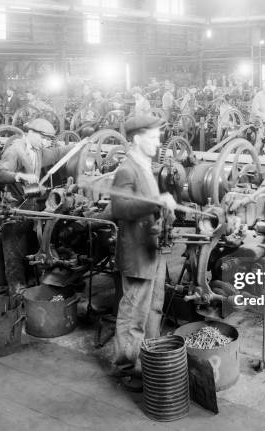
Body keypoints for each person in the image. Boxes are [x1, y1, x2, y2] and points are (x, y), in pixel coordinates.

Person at [111, 115, 177, 391]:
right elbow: (120, 209)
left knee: (153, 308)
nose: (158, 142)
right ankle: (125, 369)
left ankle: (147, 361)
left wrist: (165, 208)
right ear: (138, 139)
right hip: (137, 254)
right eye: (153, 138)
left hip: (152, 249)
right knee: (134, 313)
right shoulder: (127, 169)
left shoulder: (145, 166)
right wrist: (154, 202)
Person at [0, 118, 74, 295]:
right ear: (31, 133)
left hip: (31, 206)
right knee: (13, 252)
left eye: (48, 140)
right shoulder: (15, 150)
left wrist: (81, 145)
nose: (46, 143)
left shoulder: (38, 151)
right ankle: (16, 290)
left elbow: (57, 152)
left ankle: (29, 287)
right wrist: (19, 176)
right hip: (15, 206)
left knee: (29, 248)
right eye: (44, 138)